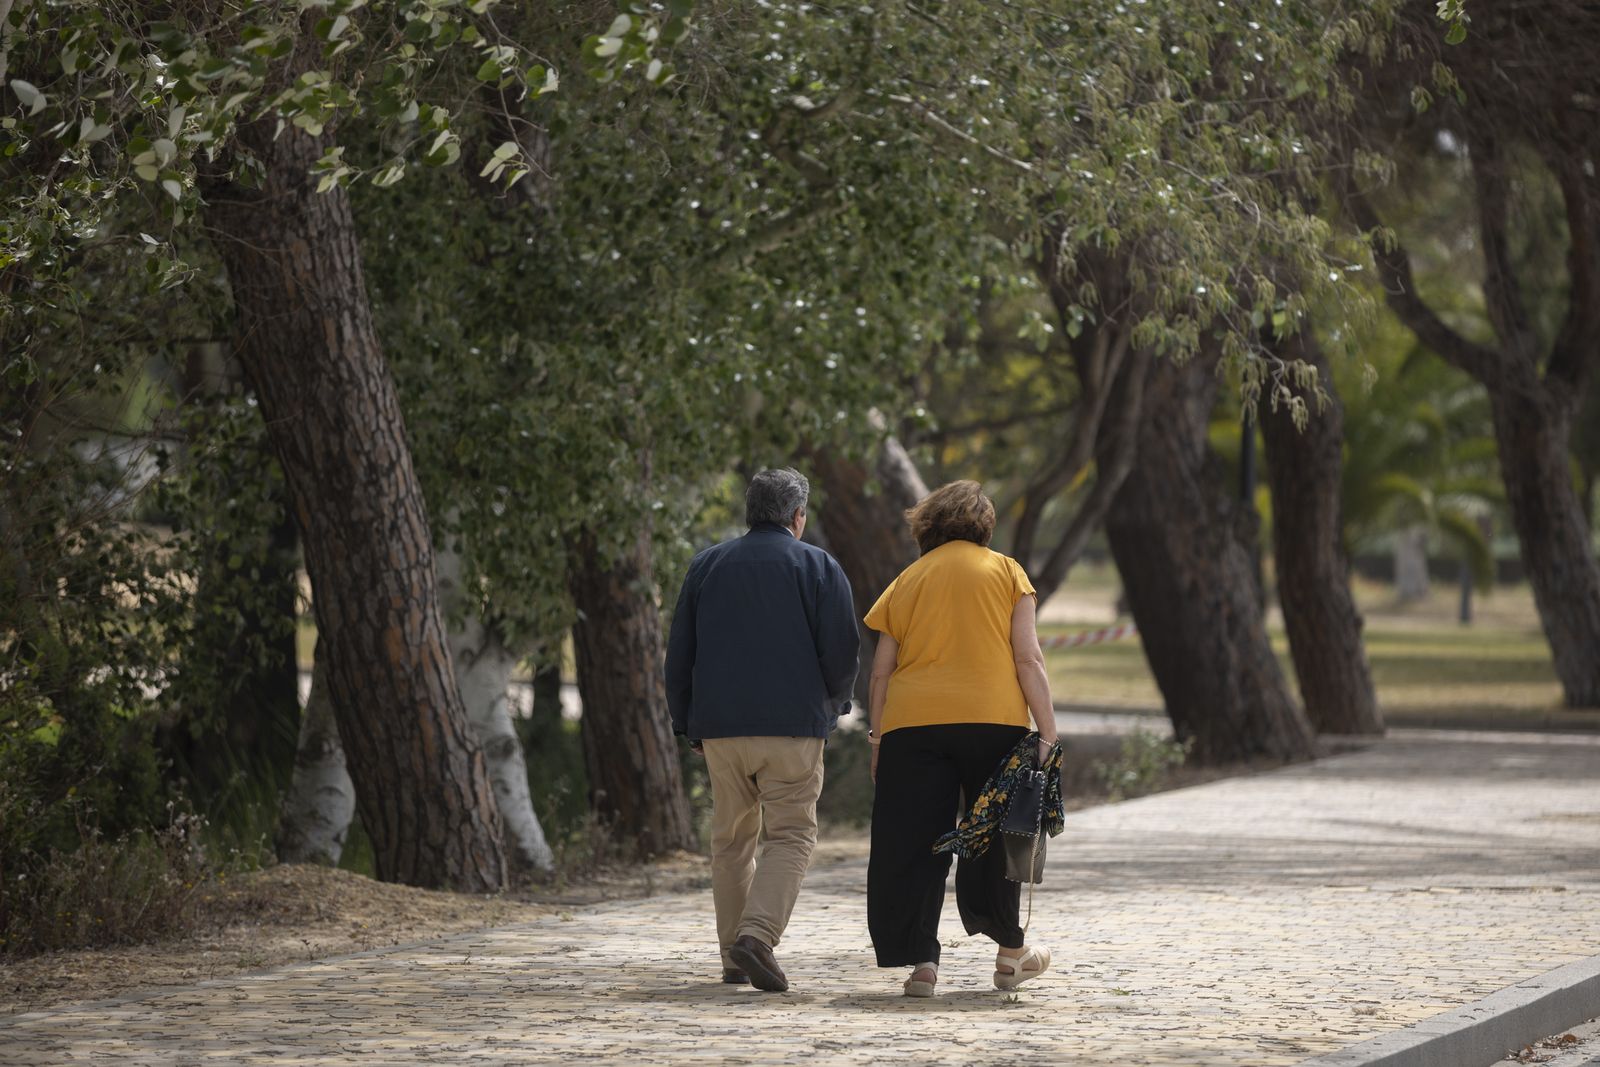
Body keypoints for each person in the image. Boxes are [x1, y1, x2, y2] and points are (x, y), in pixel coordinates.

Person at [863, 479, 1061, 998]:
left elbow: (881, 673)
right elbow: (1028, 658)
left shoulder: (906, 580)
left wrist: (878, 740)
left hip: (913, 725)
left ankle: (922, 965)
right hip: (994, 722)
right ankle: (1009, 955)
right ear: (984, 525)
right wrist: (1048, 729)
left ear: (928, 525)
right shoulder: (1007, 572)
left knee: (913, 843)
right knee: (998, 836)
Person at [665, 467, 858, 993]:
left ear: (750, 512)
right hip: (793, 729)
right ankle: (756, 936)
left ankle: (733, 956)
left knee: (730, 841)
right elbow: (842, 649)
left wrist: (687, 722)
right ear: (798, 516)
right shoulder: (818, 565)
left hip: (721, 730)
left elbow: (679, 655)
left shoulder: (706, 565)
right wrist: (835, 706)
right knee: (792, 833)